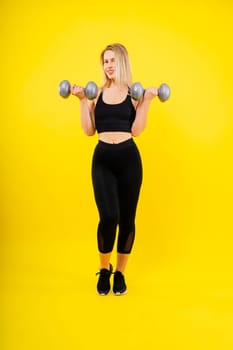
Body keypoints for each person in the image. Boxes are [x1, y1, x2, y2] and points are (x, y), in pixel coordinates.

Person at [71, 43, 158, 295]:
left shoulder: (134, 94)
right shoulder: (95, 93)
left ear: (122, 62)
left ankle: (120, 273)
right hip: (103, 160)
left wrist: (148, 101)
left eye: (112, 60)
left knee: (127, 219)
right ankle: (104, 269)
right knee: (109, 216)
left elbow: (137, 131)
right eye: (105, 61)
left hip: (129, 159)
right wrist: (80, 101)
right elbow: (89, 131)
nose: (108, 65)